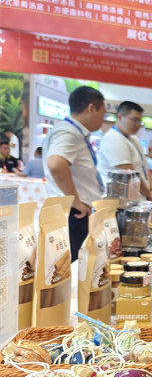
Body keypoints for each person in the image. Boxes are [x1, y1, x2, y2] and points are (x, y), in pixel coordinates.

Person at [43, 86, 105, 261]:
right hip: (75, 214)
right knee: (77, 267)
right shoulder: (68, 131)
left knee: (79, 266)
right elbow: (56, 164)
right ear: (91, 108)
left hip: (76, 212)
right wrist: (76, 201)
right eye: (103, 114)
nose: (103, 120)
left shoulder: (73, 132)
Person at [98, 101, 152, 201]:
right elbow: (130, 174)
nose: (138, 125)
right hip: (123, 203)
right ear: (120, 117)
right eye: (135, 120)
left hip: (139, 201)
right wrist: (149, 194)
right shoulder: (114, 139)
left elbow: (143, 167)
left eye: (140, 121)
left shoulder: (133, 138)